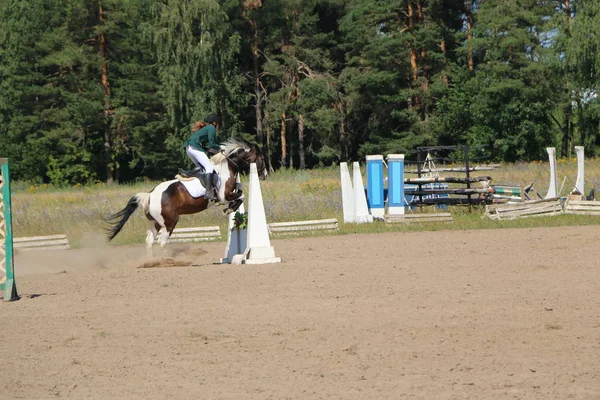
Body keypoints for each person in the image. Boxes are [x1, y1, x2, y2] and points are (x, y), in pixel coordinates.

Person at [179, 114, 222, 200]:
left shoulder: (206, 128)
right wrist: (221, 147)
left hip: (189, 148)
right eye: (218, 124)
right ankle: (208, 192)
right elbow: (211, 144)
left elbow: (207, 146)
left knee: (202, 168)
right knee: (209, 167)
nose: (218, 126)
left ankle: (188, 173)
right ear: (215, 122)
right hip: (194, 148)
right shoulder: (211, 128)